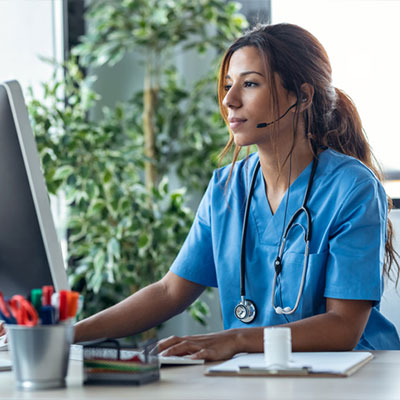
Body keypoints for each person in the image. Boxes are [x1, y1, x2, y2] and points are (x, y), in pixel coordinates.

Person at [1, 22, 399, 359]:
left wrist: (235, 340)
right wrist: (67, 334)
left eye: (251, 84)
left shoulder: (352, 188)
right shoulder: (227, 187)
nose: (229, 100)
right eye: (228, 85)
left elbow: (344, 327)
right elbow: (170, 291)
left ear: (303, 96)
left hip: (353, 377)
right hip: (259, 376)